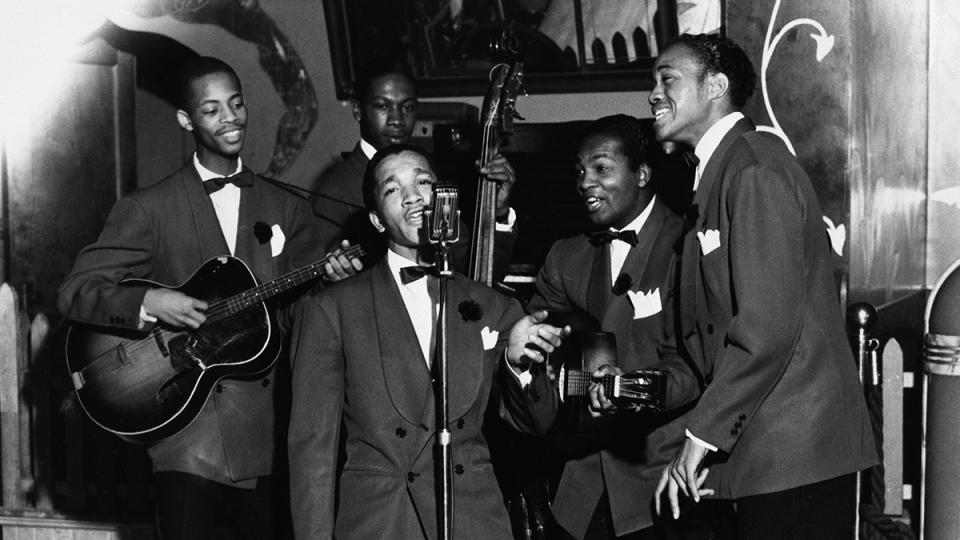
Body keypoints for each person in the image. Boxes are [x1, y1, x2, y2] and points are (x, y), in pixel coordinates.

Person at [58, 56, 360, 540]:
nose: (230, 119)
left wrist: (331, 278)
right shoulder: (147, 208)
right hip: (183, 435)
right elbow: (76, 292)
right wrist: (151, 302)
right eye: (212, 109)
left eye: (237, 104)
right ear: (186, 120)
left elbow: (301, 315)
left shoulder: (288, 207)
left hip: (264, 435)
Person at [607, 34, 877, 539]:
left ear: (717, 86)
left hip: (796, 455)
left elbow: (766, 328)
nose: (653, 94)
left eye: (668, 79)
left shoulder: (752, 169)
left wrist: (699, 438)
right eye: (653, 82)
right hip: (765, 455)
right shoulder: (721, 173)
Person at [287, 144, 569, 539]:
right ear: (377, 220)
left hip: (474, 520)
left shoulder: (494, 306)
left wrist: (519, 367)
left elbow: (536, 422)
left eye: (423, 181)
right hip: (382, 522)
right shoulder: (330, 309)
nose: (413, 196)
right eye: (393, 189)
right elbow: (311, 450)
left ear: (445, 200)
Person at [525, 115, 706, 540]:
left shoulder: (690, 248)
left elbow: (698, 364)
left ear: (642, 174)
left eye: (601, 168)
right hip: (579, 489)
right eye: (580, 172)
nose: (585, 182)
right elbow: (534, 345)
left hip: (661, 483)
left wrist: (632, 389)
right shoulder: (565, 257)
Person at [310, 57, 517, 275]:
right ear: (358, 110)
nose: (397, 119)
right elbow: (313, 289)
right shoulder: (333, 186)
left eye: (407, 107)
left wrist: (498, 212)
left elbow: (476, 271)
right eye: (382, 106)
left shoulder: (432, 174)